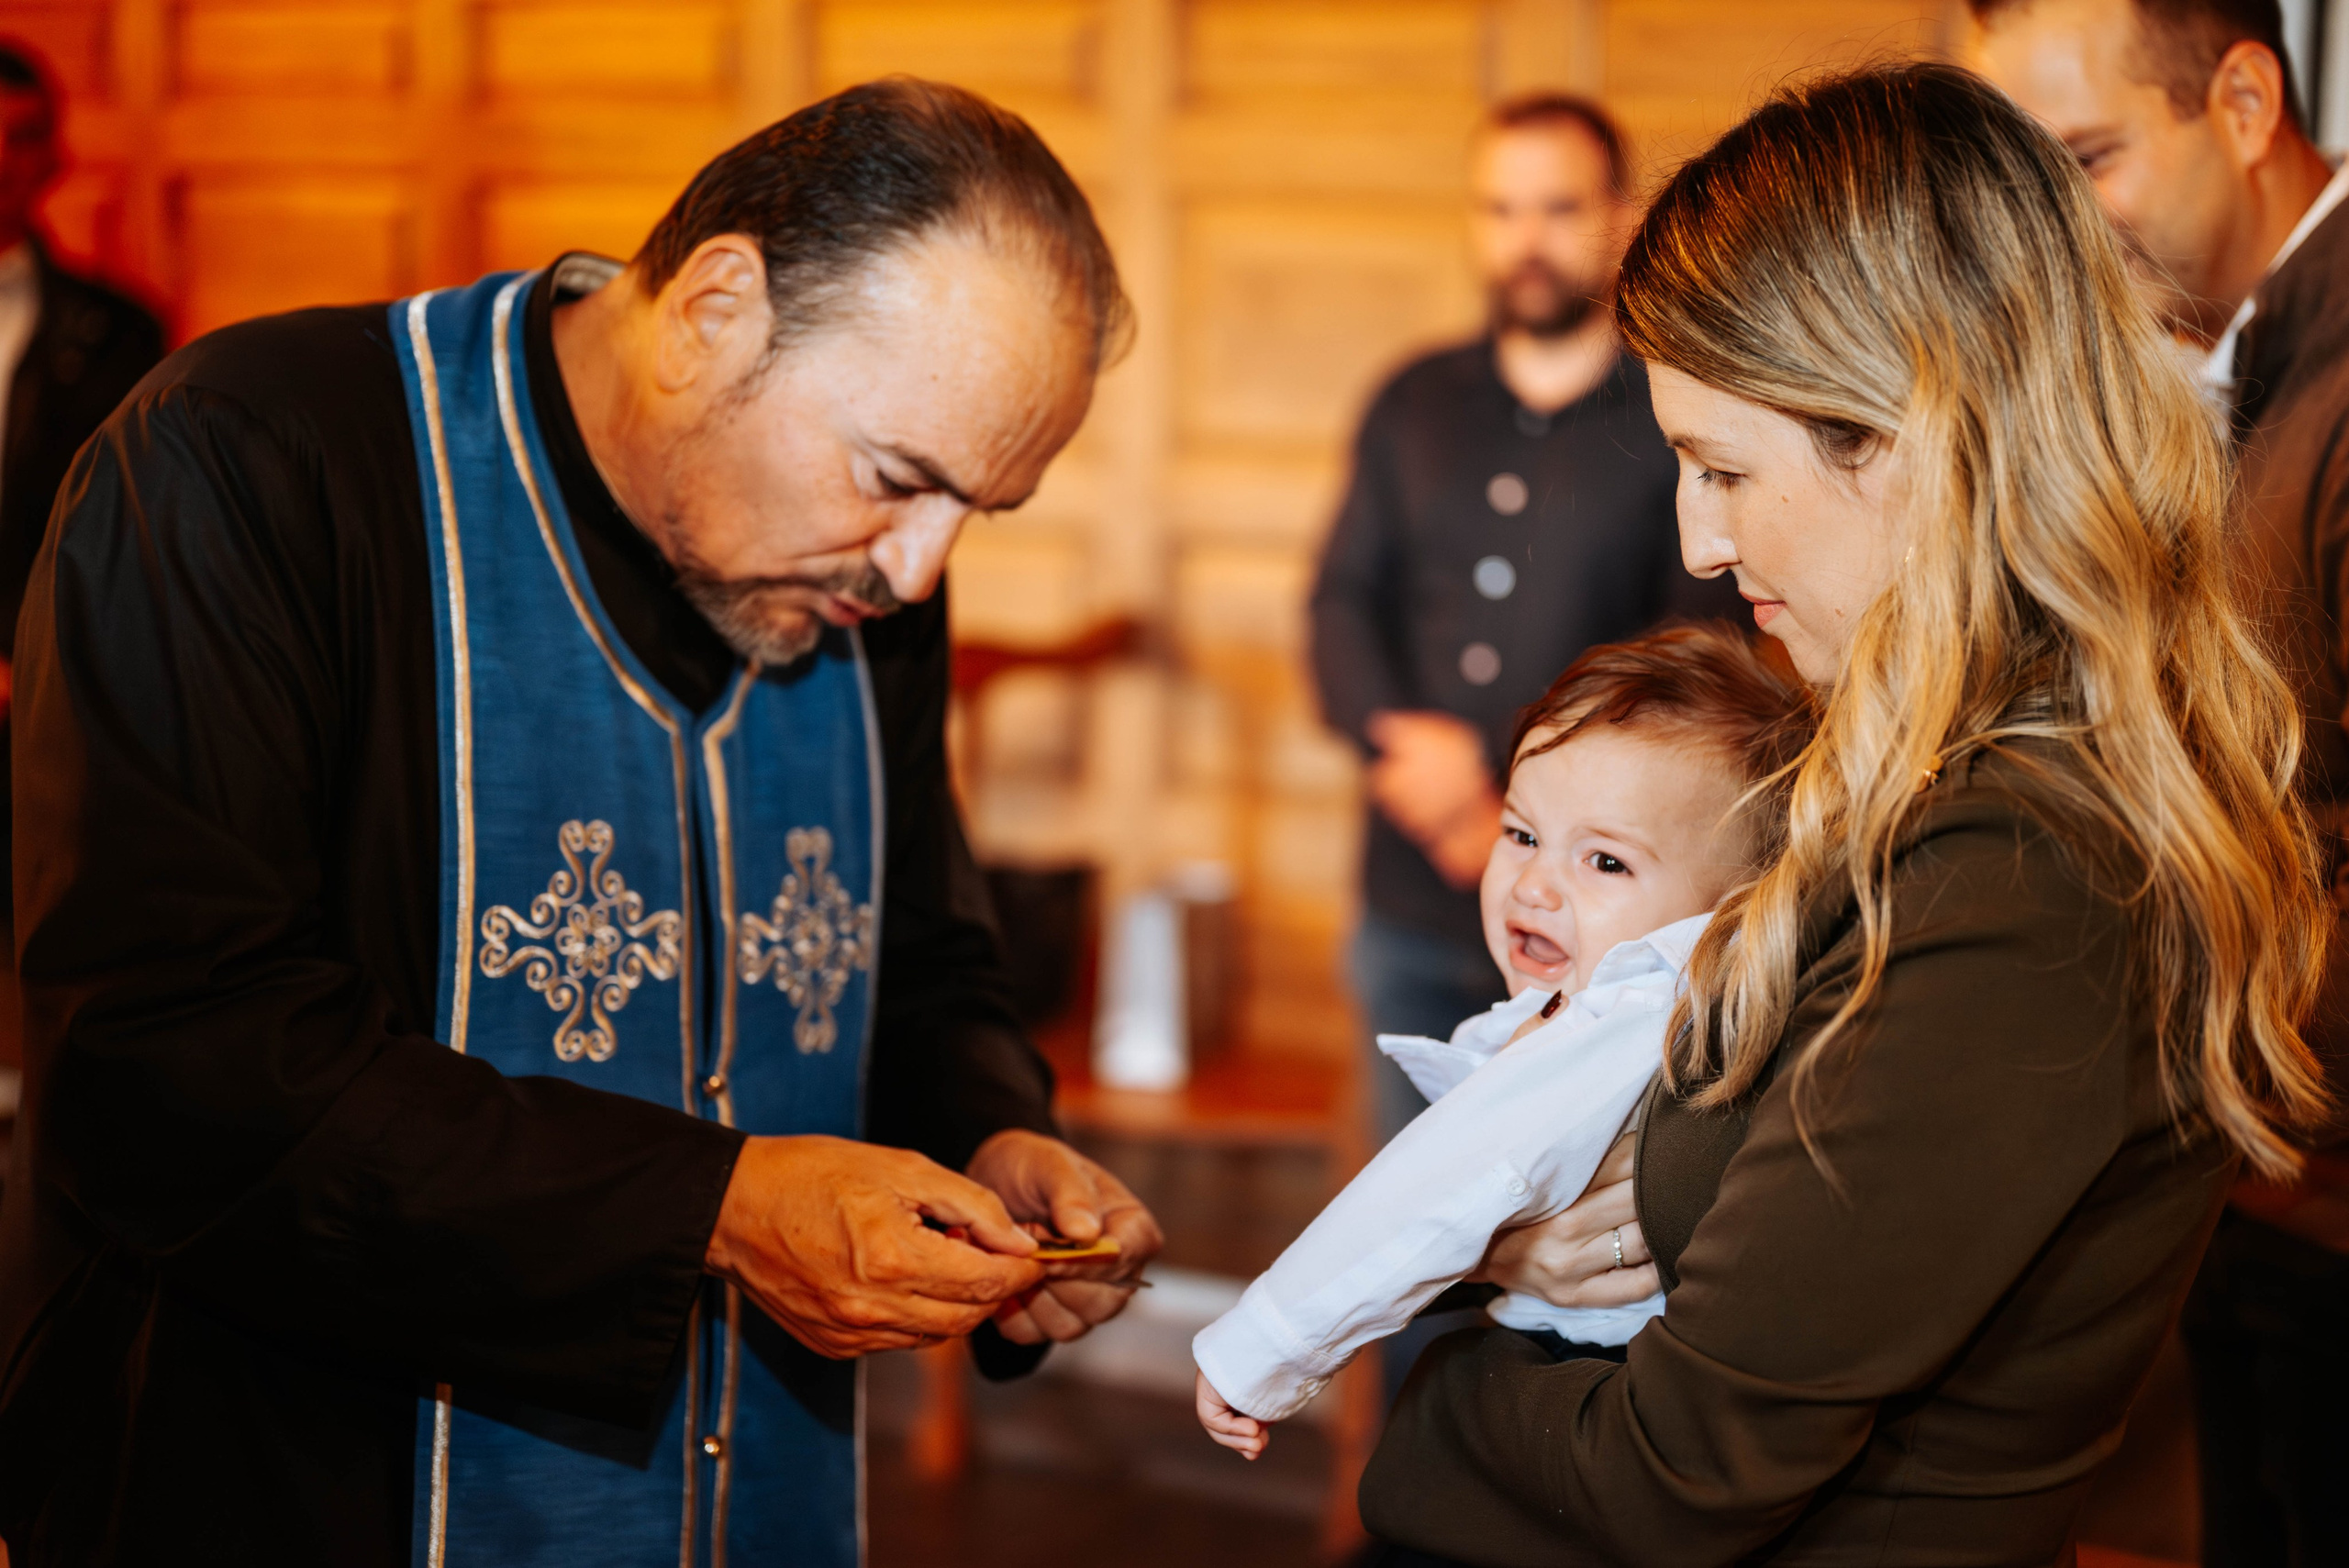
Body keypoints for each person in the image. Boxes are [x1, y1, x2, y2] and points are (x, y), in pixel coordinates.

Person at [0, 80, 1164, 1568]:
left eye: (976, 514)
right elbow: (169, 1055)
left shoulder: (859, 575)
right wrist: (720, 1208)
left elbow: (921, 946)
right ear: (714, 314)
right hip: (296, 1475)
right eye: (896, 479)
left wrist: (991, 1130)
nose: (921, 573)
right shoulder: (249, 464)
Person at [1352, 63, 2331, 1566]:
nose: (1698, 531)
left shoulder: (2026, 855)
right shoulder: (1935, 772)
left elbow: (1676, 1473)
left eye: (1723, 465)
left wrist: (1435, 1400)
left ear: (1906, 430)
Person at [1970, 4, 2349, 1557]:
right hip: (2263, 1171)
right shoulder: (2255, 349)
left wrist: (2165, 1044)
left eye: (2092, 160)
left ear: (2246, 99)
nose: (2071, 235)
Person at [1192, 625, 1812, 1458]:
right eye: (1521, 834)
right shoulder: (1624, 1002)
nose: (1533, 884)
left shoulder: (1626, 1015)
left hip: (1597, 1386)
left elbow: (1430, 1188)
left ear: (1728, 910)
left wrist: (1262, 1344)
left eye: (1605, 862)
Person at [1308, 93, 1739, 1153]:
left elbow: (1692, 653)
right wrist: (1400, 747)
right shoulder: (1411, 399)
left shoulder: (1673, 406)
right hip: (1407, 892)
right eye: (1500, 209)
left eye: (1557, 208)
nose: (1527, 240)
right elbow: (1339, 602)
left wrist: (1508, 792)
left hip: (1602, 923)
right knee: (1404, 1233)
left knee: (1562, 1245)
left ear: (1619, 214)